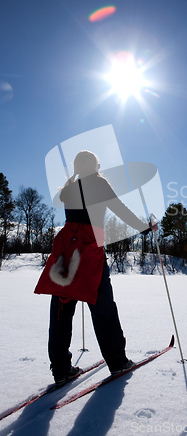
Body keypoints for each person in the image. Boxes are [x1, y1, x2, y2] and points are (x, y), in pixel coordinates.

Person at [35, 150, 155, 384]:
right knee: (103, 309)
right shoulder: (100, 184)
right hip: (90, 252)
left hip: (67, 253)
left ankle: (60, 369)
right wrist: (145, 227)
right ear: (96, 165)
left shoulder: (69, 189)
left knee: (61, 310)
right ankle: (117, 362)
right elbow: (120, 210)